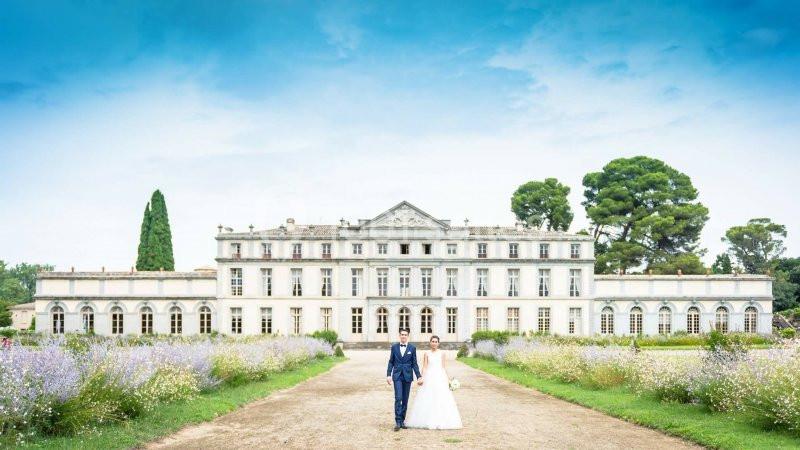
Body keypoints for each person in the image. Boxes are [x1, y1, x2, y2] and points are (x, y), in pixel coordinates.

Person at [404, 335, 463, 430]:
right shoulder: (427, 353)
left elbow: (443, 367)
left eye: (436, 341)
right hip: (429, 377)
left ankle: (441, 420)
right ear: (430, 342)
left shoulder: (442, 353)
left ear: (438, 343)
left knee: (440, 397)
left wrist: (448, 380)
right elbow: (425, 367)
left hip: (440, 377)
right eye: (433, 341)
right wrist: (422, 378)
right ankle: (426, 419)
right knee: (428, 397)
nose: (434, 343)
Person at [386, 328, 422, 431]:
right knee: (398, 398)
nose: (403, 336)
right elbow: (391, 362)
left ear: (408, 336)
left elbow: (414, 363)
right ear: (399, 335)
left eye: (405, 334)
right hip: (397, 375)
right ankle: (397, 422)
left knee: (405, 399)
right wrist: (388, 374)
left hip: (407, 376)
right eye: (402, 334)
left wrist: (418, 375)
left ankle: (402, 421)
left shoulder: (412, 348)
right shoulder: (394, 347)